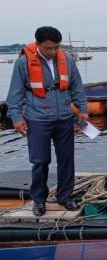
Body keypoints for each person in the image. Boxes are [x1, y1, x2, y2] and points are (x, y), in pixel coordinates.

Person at [6, 26, 88, 216]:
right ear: (38, 44)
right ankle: (39, 199)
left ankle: (65, 196)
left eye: (56, 48)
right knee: (40, 161)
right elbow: (15, 94)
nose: (52, 52)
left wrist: (82, 109)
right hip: (37, 119)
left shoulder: (66, 59)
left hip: (64, 118)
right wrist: (17, 118)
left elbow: (77, 86)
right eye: (48, 48)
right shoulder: (23, 63)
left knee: (67, 158)